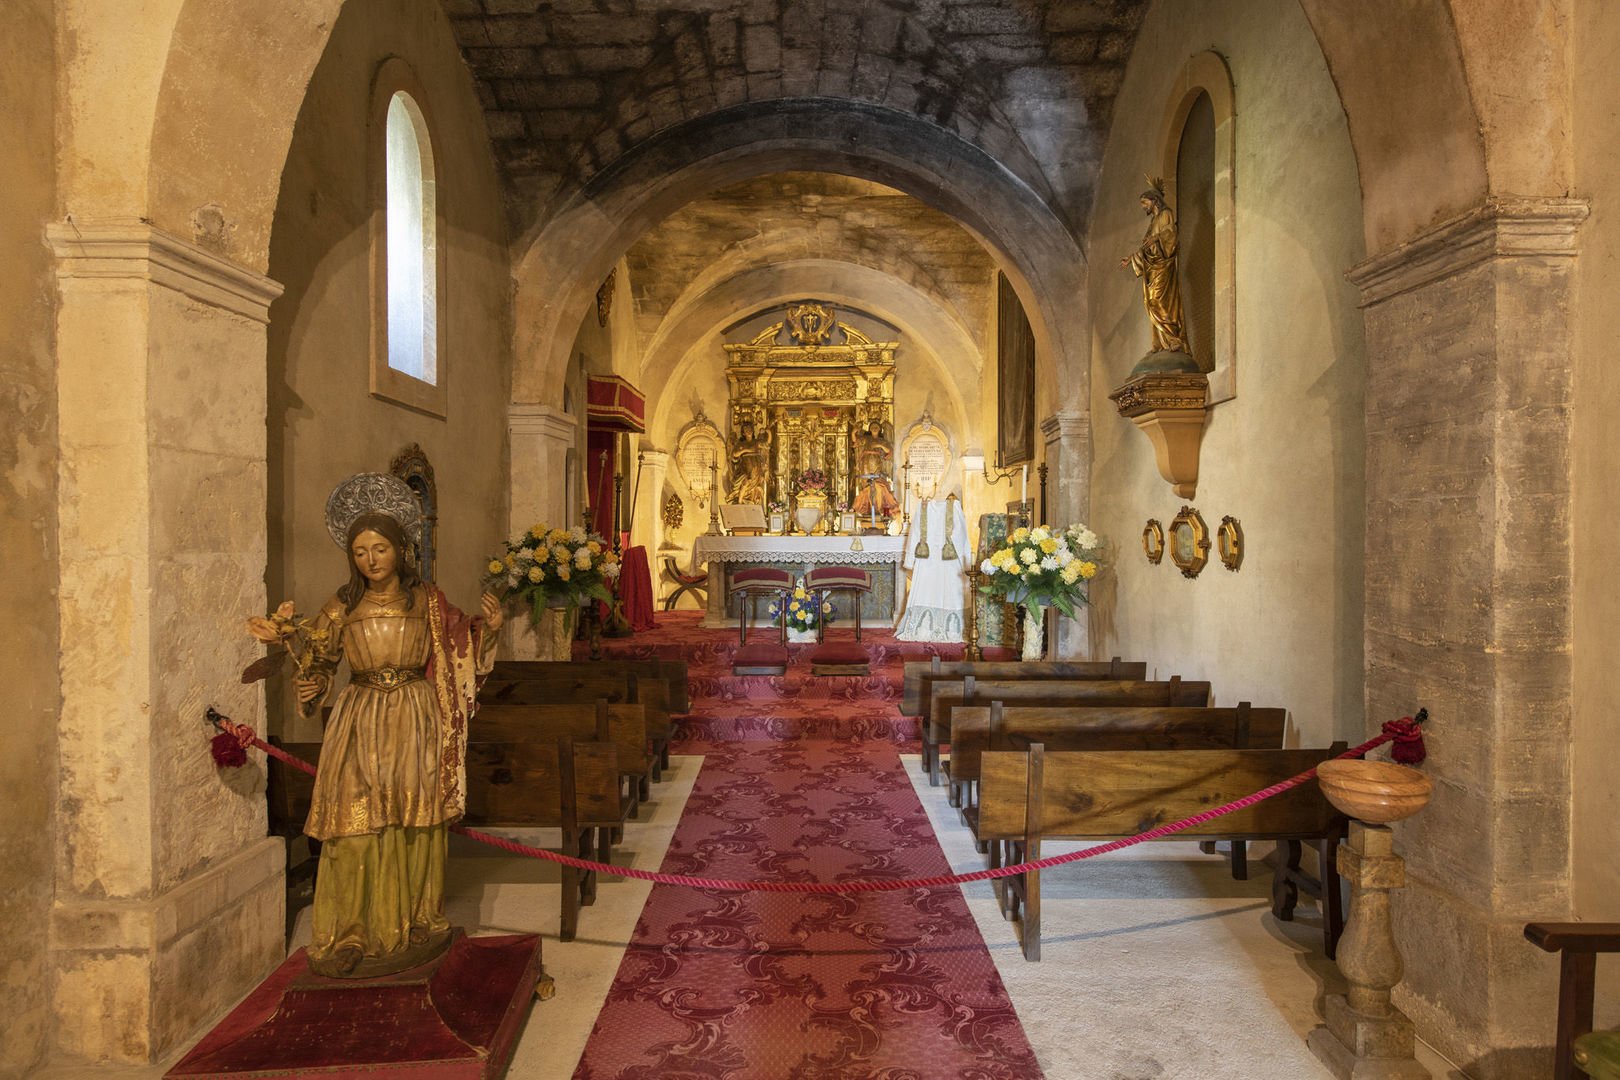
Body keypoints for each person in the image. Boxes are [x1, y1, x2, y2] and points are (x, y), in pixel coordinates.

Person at [290, 483, 501, 978]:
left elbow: (460, 645)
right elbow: (319, 663)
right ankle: (350, 933)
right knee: (354, 822)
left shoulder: (426, 600)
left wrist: (488, 629)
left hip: (414, 713)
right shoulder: (341, 606)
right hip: (360, 717)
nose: (370, 559)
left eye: (379, 548)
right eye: (360, 551)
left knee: (414, 820)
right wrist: (311, 686)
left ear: (399, 550)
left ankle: (417, 922)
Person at [1120, 181, 1191, 355]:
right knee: (1150, 302)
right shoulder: (1152, 222)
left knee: (1159, 301)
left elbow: (1171, 234)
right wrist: (1130, 259)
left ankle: (1174, 338)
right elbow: (1146, 245)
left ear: (1154, 201)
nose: (1143, 207)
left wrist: (1158, 237)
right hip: (1152, 267)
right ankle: (1160, 342)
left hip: (1163, 265)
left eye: (1145, 203)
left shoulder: (1166, 214)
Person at [894, 493, 969, 642]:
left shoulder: (922, 508)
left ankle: (924, 628)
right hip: (949, 560)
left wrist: (910, 561)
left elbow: (914, 534)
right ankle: (952, 630)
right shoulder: (954, 507)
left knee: (926, 590)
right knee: (950, 592)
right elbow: (961, 537)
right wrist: (966, 560)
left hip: (926, 561)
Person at [851, 419, 900, 520]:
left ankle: (877, 507)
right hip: (866, 464)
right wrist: (853, 432)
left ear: (880, 429)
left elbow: (889, 451)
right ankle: (867, 507)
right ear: (869, 429)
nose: (874, 428)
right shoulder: (865, 438)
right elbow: (855, 440)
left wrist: (879, 445)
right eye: (872, 426)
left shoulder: (882, 441)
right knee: (867, 486)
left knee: (877, 485)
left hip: (877, 464)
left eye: (876, 427)